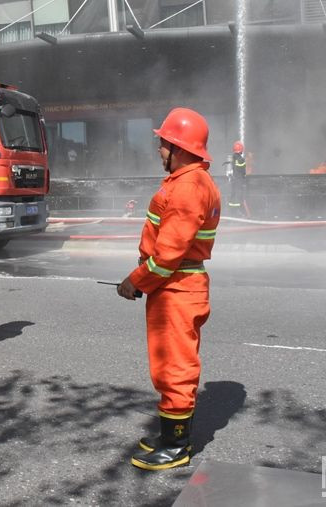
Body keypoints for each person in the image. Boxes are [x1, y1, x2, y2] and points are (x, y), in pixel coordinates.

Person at [116, 107, 220, 471]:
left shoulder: (188, 187)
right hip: (172, 286)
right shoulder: (187, 181)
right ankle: (169, 433)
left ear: (178, 146)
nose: (159, 149)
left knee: (175, 366)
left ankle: (177, 446)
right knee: (166, 363)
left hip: (176, 286)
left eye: (163, 143)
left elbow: (168, 254)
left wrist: (135, 280)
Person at [224, 141, 247, 215]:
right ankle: (237, 211)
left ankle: (231, 211)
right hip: (239, 180)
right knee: (238, 195)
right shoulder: (241, 159)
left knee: (233, 194)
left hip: (233, 179)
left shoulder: (232, 158)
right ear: (242, 150)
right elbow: (243, 171)